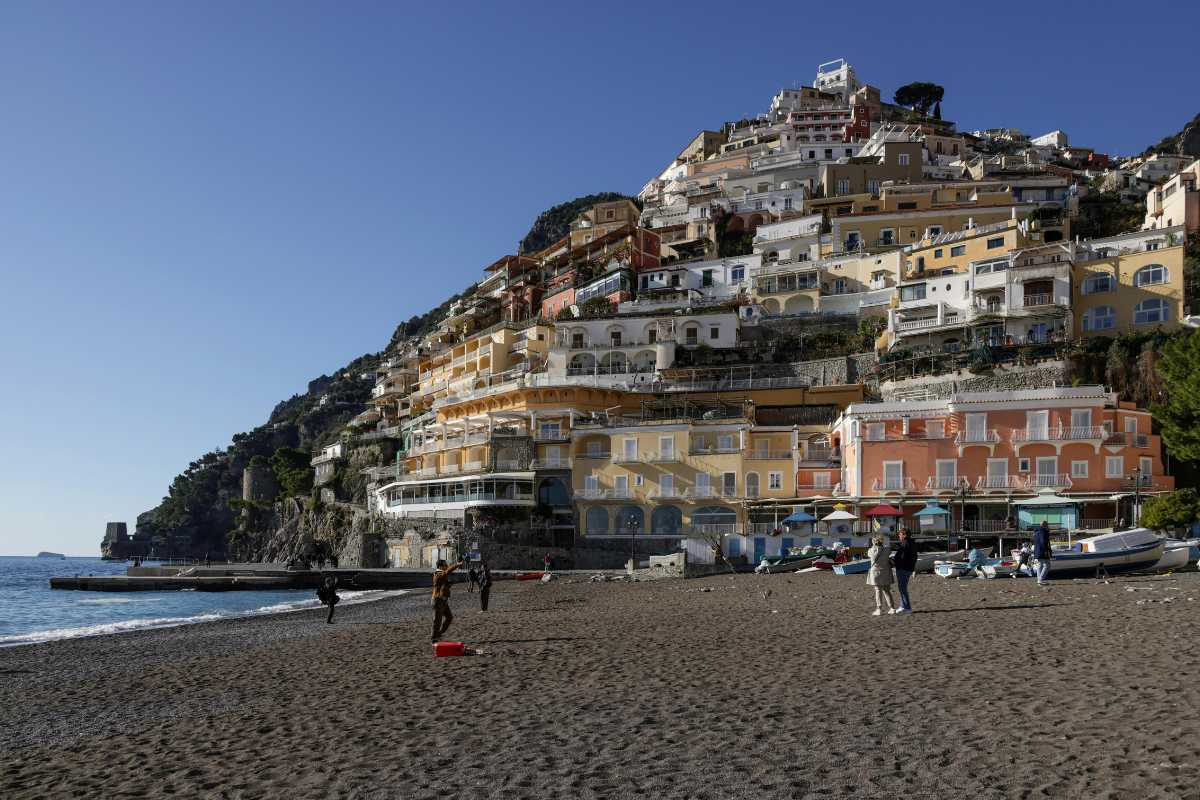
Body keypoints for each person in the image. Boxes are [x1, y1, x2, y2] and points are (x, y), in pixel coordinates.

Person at [431, 558, 463, 642]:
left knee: (449, 617)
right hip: (437, 600)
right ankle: (434, 638)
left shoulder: (441, 574)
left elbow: (442, 585)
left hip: (443, 601)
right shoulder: (437, 573)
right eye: (445, 565)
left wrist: (448, 585)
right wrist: (457, 565)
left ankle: (439, 634)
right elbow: (446, 572)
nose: (447, 566)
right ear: (441, 566)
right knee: (437, 620)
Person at [866, 535, 896, 616]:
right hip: (886, 571)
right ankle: (892, 608)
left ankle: (879, 609)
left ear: (873, 542)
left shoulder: (871, 550)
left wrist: (874, 546)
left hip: (875, 572)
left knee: (878, 590)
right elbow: (889, 551)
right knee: (887, 590)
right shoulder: (887, 549)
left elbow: (870, 555)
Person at [890, 527, 917, 613]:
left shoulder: (905, 543)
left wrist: (892, 561)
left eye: (900, 534)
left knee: (902, 588)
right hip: (908, 568)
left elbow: (901, 557)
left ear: (904, 535)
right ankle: (903, 606)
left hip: (903, 568)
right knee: (902, 588)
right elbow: (914, 557)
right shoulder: (911, 543)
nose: (899, 535)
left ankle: (907, 607)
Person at [1032, 520, 1053, 586]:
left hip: (1036, 551)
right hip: (1042, 551)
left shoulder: (1036, 532)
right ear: (1044, 525)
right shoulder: (1043, 532)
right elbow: (1043, 542)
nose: (1048, 526)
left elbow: (1034, 541)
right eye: (1047, 525)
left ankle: (1039, 580)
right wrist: (1047, 550)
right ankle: (1041, 579)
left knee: (1039, 566)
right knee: (1047, 565)